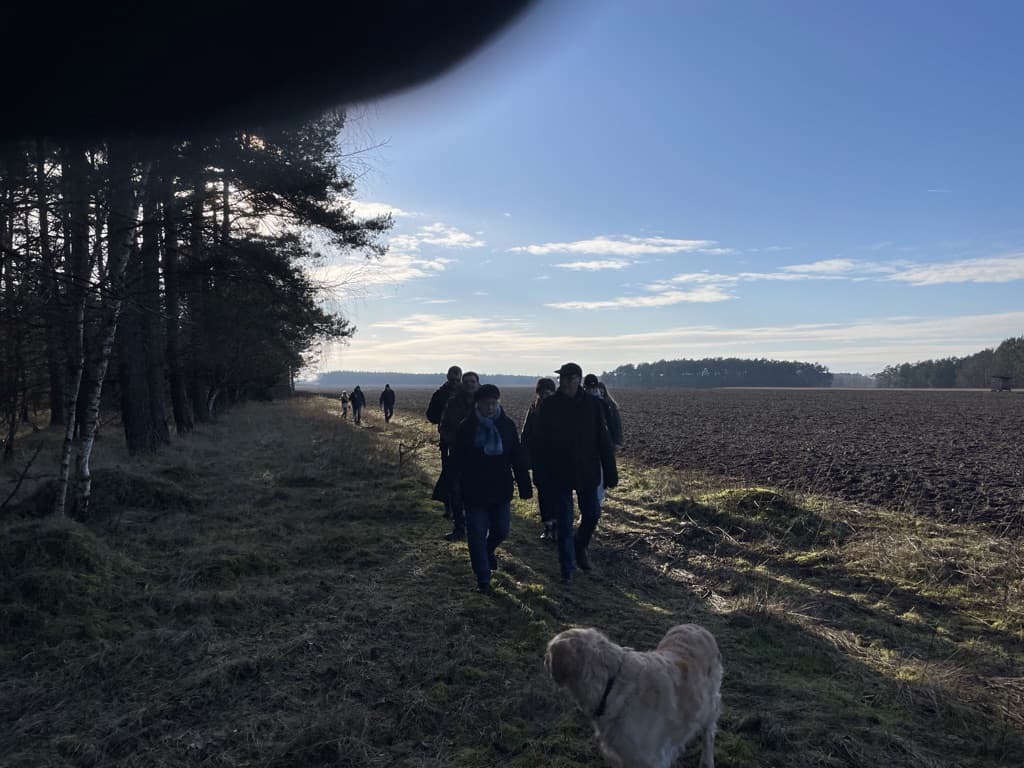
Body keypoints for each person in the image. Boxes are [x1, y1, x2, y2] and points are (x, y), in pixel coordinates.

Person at [533, 362, 617, 583]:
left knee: (592, 514)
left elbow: (603, 438)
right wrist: (539, 471)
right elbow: (539, 441)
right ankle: (567, 568)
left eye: (571, 378)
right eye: (563, 378)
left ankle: (580, 547)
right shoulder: (550, 405)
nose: (567, 382)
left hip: (587, 470)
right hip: (558, 471)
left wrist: (610, 471)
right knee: (564, 520)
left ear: (579, 379)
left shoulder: (593, 405)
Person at [452, 384, 532, 593]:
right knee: (476, 535)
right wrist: (451, 489)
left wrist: (525, 486)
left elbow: (517, 457)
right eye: (486, 403)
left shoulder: (506, 426)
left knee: (501, 530)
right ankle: (483, 579)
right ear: (477, 403)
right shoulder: (466, 427)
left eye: (493, 403)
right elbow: (455, 461)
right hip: (474, 491)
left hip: (500, 490)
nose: (490, 407)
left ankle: (488, 551)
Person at [437, 371, 480, 540]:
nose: (469, 384)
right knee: (456, 492)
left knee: (477, 493)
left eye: (473, 381)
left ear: (477, 383)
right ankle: (459, 528)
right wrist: (452, 441)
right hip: (457, 454)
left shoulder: (484, 402)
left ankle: (477, 528)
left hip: (480, 456)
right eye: (466, 381)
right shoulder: (453, 402)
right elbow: (444, 425)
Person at [520, 377, 558, 541]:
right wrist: (525, 455)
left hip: (557, 459)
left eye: (548, 391)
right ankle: (548, 525)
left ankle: (558, 525)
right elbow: (526, 433)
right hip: (538, 459)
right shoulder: (534, 409)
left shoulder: (561, 408)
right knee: (542, 491)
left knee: (557, 492)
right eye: (542, 392)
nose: (544, 395)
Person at [427, 366, 462, 523]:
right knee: (449, 473)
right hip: (447, 440)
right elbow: (431, 415)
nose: (455, 382)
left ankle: (462, 506)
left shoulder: (468, 393)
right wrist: (443, 419)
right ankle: (449, 506)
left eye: (457, 379)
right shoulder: (440, 394)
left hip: (467, 442)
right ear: (447, 377)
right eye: (452, 379)